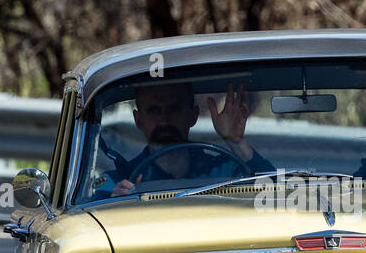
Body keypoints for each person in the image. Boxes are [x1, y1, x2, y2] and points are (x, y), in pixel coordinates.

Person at [101, 80, 273, 197]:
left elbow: (275, 193)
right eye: (154, 110)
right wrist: (114, 201)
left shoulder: (227, 170)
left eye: (174, 109)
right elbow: (92, 216)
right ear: (138, 120)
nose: (164, 119)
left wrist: (236, 142)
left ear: (193, 115)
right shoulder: (121, 179)